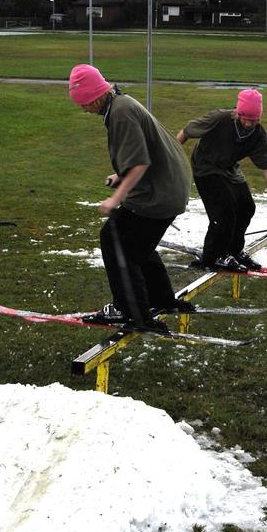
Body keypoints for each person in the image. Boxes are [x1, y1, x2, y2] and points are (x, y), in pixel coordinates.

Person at [68, 64, 191, 332]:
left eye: (83, 102)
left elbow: (140, 164)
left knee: (114, 240)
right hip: (168, 189)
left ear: (95, 95)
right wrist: (120, 176)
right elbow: (140, 153)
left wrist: (115, 200)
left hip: (158, 194)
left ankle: (129, 311)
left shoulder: (121, 113)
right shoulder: (121, 104)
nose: (83, 108)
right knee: (138, 246)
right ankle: (161, 299)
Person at [176, 89, 267, 272]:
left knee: (247, 207)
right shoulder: (219, 118)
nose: (248, 123)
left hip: (229, 169)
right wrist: (171, 157)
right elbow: (186, 132)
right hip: (205, 167)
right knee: (225, 211)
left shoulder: (259, 135)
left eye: (253, 120)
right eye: (245, 118)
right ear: (238, 112)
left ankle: (234, 251)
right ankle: (214, 255)